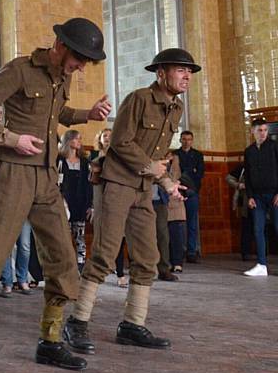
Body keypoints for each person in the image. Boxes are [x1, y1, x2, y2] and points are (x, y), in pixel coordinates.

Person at [0, 18, 111, 371]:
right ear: (60, 45)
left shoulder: (61, 78)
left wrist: (87, 114)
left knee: (64, 262)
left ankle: (49, 341)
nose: (81, 67)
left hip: (47, 178)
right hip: (12, 174)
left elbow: (57, 113)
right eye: (79, 58)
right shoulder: (20, 69)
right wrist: (10, 138)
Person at [64, 47, 199, 355]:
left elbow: (156, 157)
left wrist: (166, 182)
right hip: (117, 183)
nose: (187, 75)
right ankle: (77, 321)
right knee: (105, 254)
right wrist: (152, 169)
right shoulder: (139, 99)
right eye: (181, 70)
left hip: (143, 189)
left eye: (189, 71)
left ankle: (132, 325)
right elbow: (121, 142)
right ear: (161, 72)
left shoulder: (175, 108)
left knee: (148, 257)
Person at [90, 128, 128, 287]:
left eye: (110, 136)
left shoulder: (120, 157)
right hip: (98, 200)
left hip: (116, 199)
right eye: (104, 136)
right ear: (100, 139)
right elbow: (90, 182)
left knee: (118, 237)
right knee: (100, 238)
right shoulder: (92, 157)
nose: (107, 139)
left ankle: (120, 273)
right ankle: (100, 271)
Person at [243, 119, 278, 277]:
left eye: (265, 130)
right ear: (252, 131)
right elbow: (248, 176)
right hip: (257, 196)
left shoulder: (274, 146)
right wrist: (249, 196)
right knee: (258, 229)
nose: (263, 133)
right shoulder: (249, 151)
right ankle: (262, 265)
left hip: (275, 195)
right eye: (259, 130)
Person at [58, 130, 93, 273]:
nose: (79, 141)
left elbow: (89, 185)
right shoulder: (59, 160)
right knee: (63, 239)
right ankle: (65, 268)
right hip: (64, 203)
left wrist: (91, 204)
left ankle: (80, 268)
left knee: (80, 237)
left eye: (80, 139)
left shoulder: (85, 162)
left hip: (80, 204)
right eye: (76, 139)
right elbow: (56, 182)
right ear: (68, 140)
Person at [174, 130, 204, 262]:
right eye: (184, 139)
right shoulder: (175, 154)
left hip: (192, 191)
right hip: (177, 192)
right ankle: (179, 251)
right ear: (180, 140)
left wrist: (189, 184)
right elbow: (174, 173)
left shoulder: (197, 155)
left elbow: (200, 174)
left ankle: (192, 251)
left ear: (192, 140)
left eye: (189, 139)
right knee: (177, 223)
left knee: (192, 222)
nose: (186, 141)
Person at [225, 163, 253, 262]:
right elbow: (228, 178)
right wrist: (238, 185)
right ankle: (245, 252)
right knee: (246, 227)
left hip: (260, 200)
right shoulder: (243, 167)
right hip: (245, 201)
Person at [167, 153, 187, 274]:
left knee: (176, 235)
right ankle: (167, 262)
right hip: (161, 202)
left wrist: (179, 182)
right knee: (164, 236)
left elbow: (191, 174)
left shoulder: (179, 159)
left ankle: (177, 263)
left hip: (176, 199)